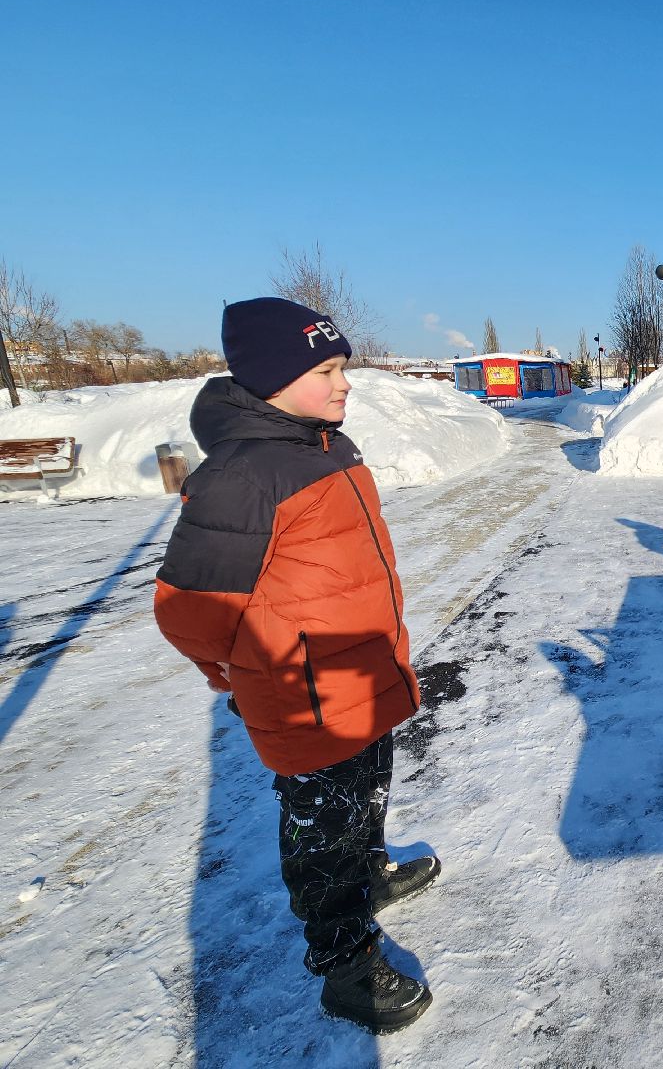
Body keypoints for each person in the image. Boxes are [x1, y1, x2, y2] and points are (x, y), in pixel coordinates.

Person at [153, 297, 439, 1034]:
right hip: (304, 693)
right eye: (327, 369)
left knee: (366, 790)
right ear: (273, 377)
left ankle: (369, 872)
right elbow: (189, 609)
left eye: (343, 367)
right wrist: (240, 674)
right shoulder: (244, 476)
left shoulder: (324, 446)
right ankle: (344, 963)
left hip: (361, 675)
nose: (345, 384)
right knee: (321, 833)